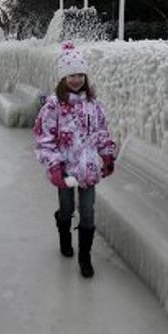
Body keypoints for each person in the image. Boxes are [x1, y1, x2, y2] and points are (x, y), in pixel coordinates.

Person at [33, 41, 118, 278]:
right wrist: (54, 166)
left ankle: (85, 258)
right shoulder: (53, 106)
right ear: (63, 77)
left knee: (88, 213)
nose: (77, 79)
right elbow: (44, 138)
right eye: (71, 75)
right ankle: (63, 231)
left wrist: (107, 154)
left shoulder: (93, 104)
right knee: (67, 208)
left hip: (89, 169)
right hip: (66, 170)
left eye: (81, 74)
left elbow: (101, 132)